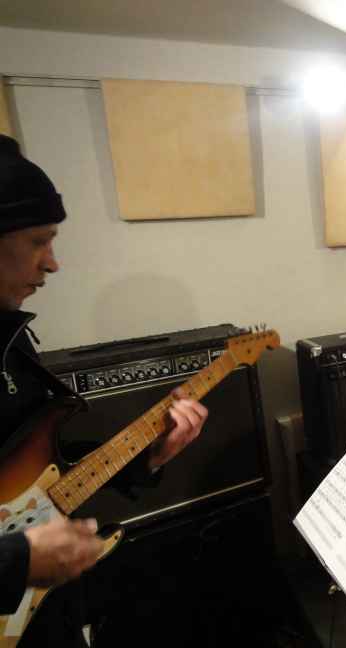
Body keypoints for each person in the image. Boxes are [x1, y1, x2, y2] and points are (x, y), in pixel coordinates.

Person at [0, 134, 207, 646]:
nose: (53, 263)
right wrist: (17, 559)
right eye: (38, 241)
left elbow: (41, 466)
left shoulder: (10, 336)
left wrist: (148, 457)